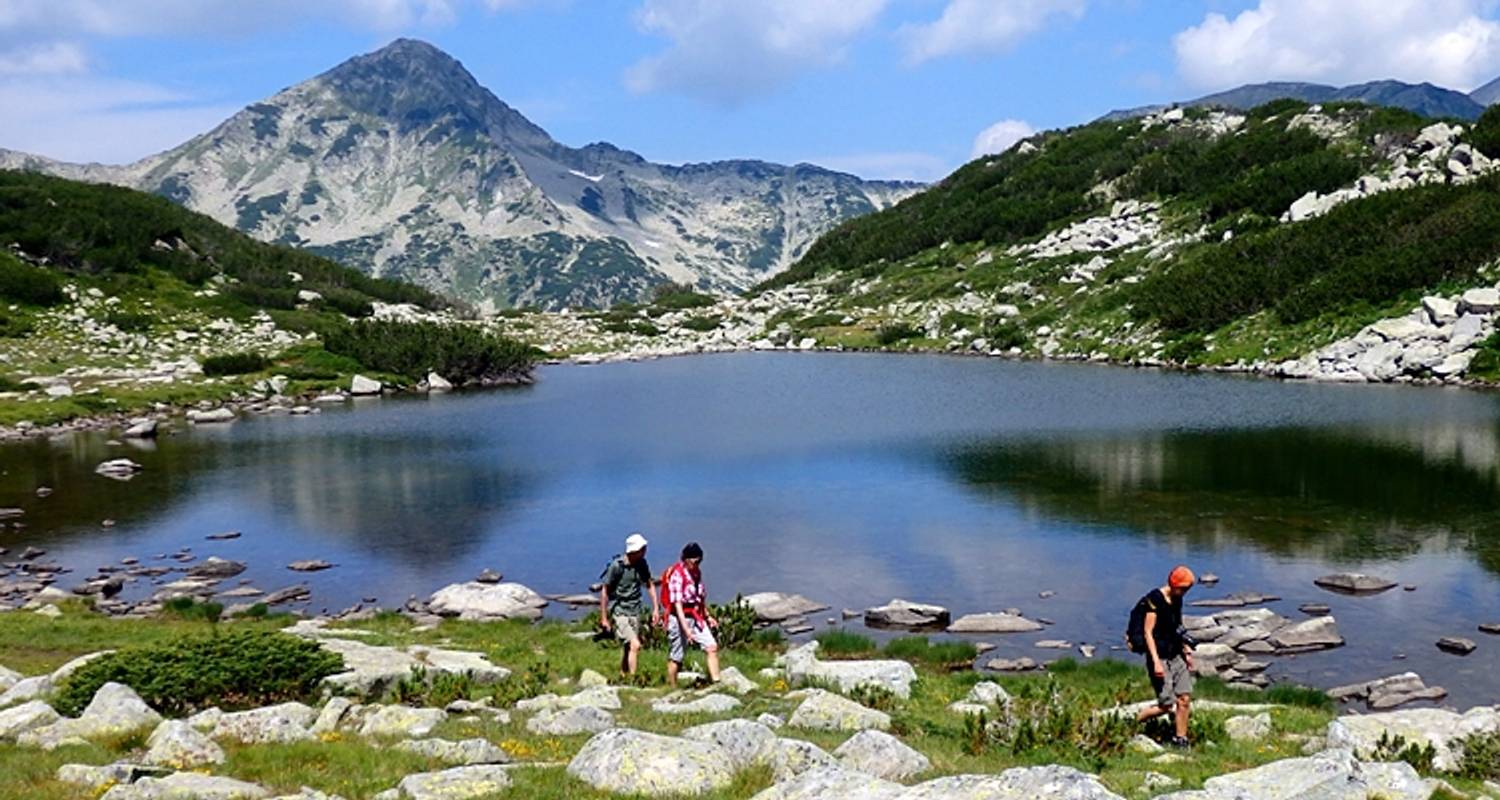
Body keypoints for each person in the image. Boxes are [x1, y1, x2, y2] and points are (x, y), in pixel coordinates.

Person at [1134, 565, 1197, 748]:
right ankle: (1132, 723)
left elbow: (1177, 627)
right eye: (1184, 588)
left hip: (1175, 653)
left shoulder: (1177, 600)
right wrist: (1155, 662)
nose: (1185, 592)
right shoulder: (1155, 600)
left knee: (1184, 698)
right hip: (1159, 656)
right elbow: (1148, 633)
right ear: (1174, 584)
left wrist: (1186, 650)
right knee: (1166, 705)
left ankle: (1181, 739)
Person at [599, 532, 660, 679]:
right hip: (620, 610)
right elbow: (605, 591)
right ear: (634, 551)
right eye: (642, 549)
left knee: (628, 648)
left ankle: (623, 674)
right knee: (635, 644)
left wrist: (656, 608)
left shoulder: (642, 564)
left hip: (635, 610)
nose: (645, 551)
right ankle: (634, 680)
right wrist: (604, 618)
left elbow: (649, 584)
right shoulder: (617, 566)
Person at [660, 541, 720, 687]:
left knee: (711, 647)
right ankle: (672, 687)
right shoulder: (677, 576)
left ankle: (717, 682)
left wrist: (707, 616)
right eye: (695, 561)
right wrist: (686, 630)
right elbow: (678, 605)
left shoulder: (696, 573)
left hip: (695, 616)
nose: (697, 564)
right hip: (679, 618)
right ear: (686, 560)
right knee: (677, 657)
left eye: (699, 561)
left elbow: (699, 599)